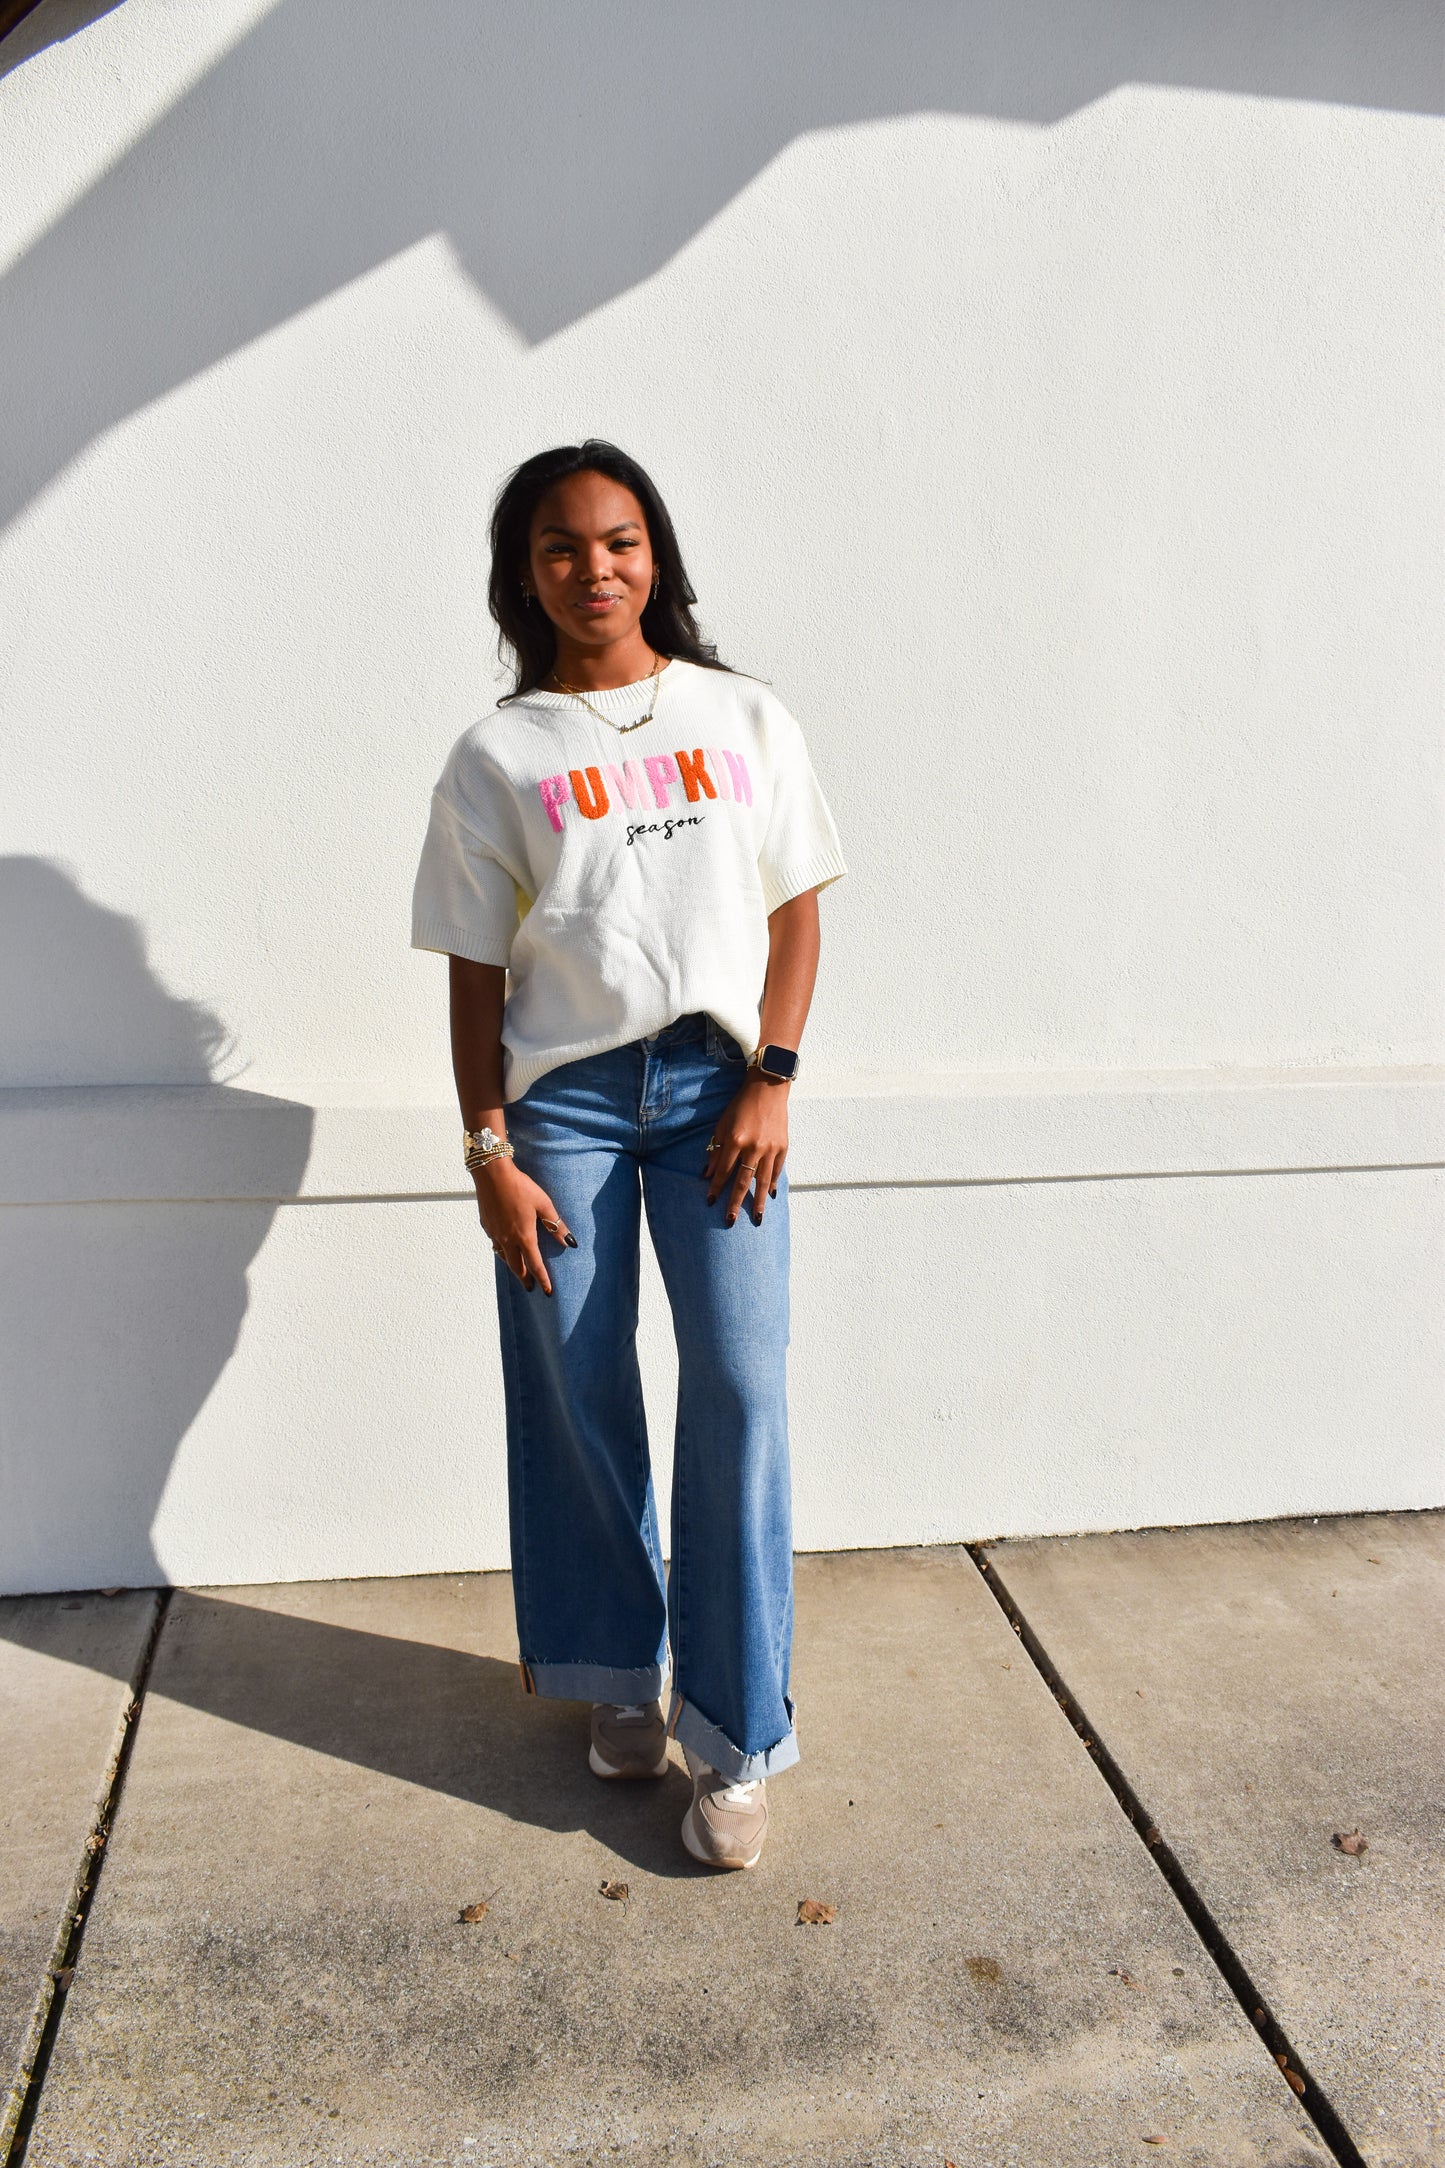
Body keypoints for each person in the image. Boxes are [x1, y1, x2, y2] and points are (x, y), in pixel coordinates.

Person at [411, 440, 845, 1869]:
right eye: (558, 548)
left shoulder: (741, 717)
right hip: (567, 1109)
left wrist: (773, 1077)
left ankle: (735, 1736)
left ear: (653, 554)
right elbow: (476, 976)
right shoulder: (498, 756)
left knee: (735, 1382)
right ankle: (612, 1676)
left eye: (618, 541)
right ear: (520, 575)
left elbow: (794, 916)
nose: (592, 569)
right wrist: (487, 1149)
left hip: (722, 1089)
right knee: (577, 1389)